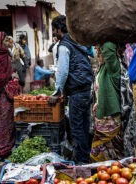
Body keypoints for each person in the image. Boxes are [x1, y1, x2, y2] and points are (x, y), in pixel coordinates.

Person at [48, 15, 93, 164]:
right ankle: (86, 155)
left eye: (54, 29)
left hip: (77, 92)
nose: (53, 33)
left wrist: (57, 92)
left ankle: (82, 160)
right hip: (86, 89)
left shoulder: (64, 46)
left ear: (60, 29)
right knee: (85, 125)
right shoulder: (76, 42)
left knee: (77, 127)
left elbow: (62, 72)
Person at [91, 42, 136, 161]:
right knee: (101, 156)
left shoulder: (113, 68)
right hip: (102, 117)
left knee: (112, 156)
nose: (98, 54)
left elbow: (108, 48)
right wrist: (97, 103)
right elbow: (102, 89)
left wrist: (106, 35)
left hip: (110, 118)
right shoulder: (101, 68)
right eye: (96, 51)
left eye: (100, 51)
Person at [0, 31, 21, 161]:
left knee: (8, 121)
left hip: (4, 94)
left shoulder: (3, 54)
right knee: (2, 122)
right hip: (1, 95)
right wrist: (11, 77)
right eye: (4, 41)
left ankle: (7, 148)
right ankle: (1, 150)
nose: (7, 43)